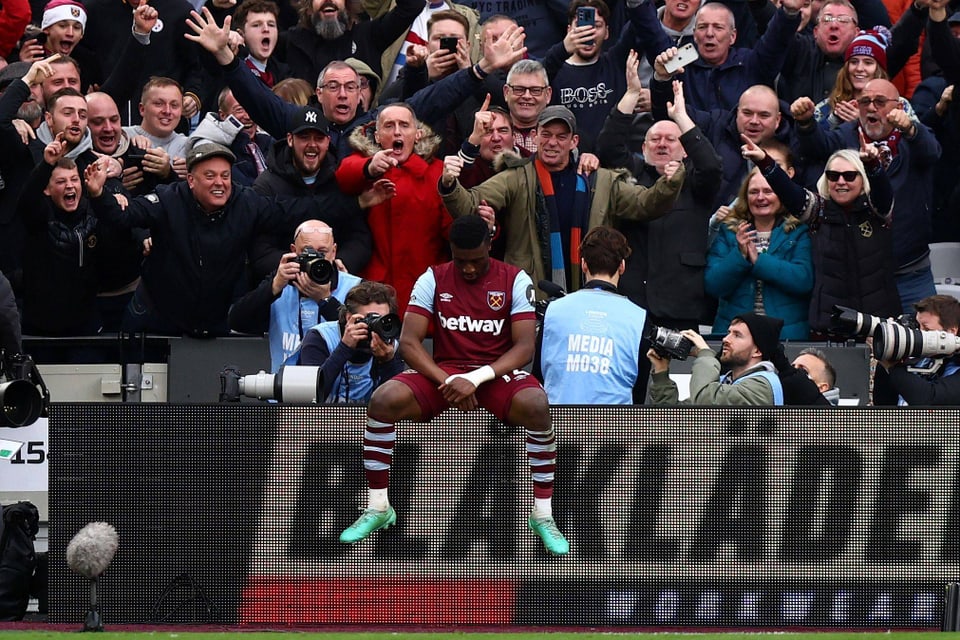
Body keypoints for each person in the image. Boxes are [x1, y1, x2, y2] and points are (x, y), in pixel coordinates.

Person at [339, 215, 569, 556]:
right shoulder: (432, 278)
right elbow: (410, 343)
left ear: (490, 245)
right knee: (383, 399)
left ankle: (543, 514)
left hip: (493, 374)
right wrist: (449, 381)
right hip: (446, 373)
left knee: (537, 405)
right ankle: (378, 506)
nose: (470, 269)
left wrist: (474, 379)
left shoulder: (515, 279)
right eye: (461, 261)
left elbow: (523, 348)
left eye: (476, 261)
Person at [82, 141, 385, 337]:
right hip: (157, 313)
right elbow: (124, 218)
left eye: (225, 175)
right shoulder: (168, 199)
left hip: (216, 318)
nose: (220, 183)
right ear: (190, 180)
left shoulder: (247, 202)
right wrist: (97, 194)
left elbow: (299, 210)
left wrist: (357, 203)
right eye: (210, 175)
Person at [440, 104, 685, 297]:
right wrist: (450, 183)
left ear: (574, 141)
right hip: (532, 296)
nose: (552, 143)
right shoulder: (515, 177)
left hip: (590, 294)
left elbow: (646, 203)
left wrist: (670, 182)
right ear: (535, 136)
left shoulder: (600, 180)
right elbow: (470, 206)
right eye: (546, 134)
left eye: (561, 136)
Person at [752, 119, 904, 334]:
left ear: (862, 179)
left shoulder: (876, 209)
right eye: (833, 176)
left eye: (849, 176)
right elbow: (790, 192)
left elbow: (883, 192)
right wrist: (766, 163)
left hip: (878, 325)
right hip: (830, 325)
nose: (840, 181)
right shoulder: (818, 211)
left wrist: (873, 166)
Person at [335, 102, 449, 315]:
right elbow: (344, 175)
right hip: (376, 291)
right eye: (389, 126)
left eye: (404, 125)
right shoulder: (365, 164)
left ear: (418, 134)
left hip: (424, 290)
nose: (397, 131)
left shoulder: (437, 172)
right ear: (377, 136)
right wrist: (369, 167)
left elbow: (451, 229)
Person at [251, 104, 374, 279]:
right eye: (304, 137)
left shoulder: (341, 179)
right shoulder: (266, 185)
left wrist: (338, 264)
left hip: (335, 283)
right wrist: (299, 269)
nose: (312, 145)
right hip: (284, 287)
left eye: (319, 138)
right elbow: (260, 250)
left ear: (328, 141)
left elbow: (359, 238)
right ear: (290, 139)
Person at [228, 220, 363, 372]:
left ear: (334, 252)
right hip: (285, 389)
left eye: (322, 252)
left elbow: (364, 342)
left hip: (334, 390)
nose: (316, 259)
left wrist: (326, 300)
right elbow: (237, 321)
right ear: (294, 250)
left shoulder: (354, 287)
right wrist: (274, 287)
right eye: (308, 251)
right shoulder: (281, 283)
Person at [704, 161, 814, 340]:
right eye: (753, 192)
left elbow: (804, 280)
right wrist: (740, 256)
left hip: (784, 335)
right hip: (734, 335)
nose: (760, 197)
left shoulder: (799, 230)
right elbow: (713, 285)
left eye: (768, 191)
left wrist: (759, 261)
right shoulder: (730, 230)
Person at [538, 226, 646, 404]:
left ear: (583, 264)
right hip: (615, 427)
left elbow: (538, 377)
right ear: (622, 266)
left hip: (558, 424)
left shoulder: (553, 310)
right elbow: (640, 390)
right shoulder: (639, 317)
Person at [17, 135, 101, 336]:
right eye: (61, 181)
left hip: (85, 326)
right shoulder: (39, 218)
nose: (70, 186)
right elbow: (26, 198)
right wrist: (46, 165)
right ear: (47, 189)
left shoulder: (94, 210)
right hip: (42, 328)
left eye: (74, 180)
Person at [298, 280, 405, 403]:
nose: (377, 326)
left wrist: (388, 362)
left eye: (383, 320)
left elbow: (396, 404)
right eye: (371, 319)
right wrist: (344, 347)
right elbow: (310, 396)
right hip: (320, 418)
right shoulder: (321, 337)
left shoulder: (390, 346)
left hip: (368, 419)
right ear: (349, 317)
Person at [648, 312, 785, 405]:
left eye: (737, 335)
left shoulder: (761, 387)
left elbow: (705, 401)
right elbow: (672, 418)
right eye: (728, 333)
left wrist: (706, 353)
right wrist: (661, 372)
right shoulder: (726, 383)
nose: (726, 339)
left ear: (757, 350)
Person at [874, 294, 960, 405]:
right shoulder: (917, 356)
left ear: (951, 332)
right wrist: (888, 350)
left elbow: (930, 400)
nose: (918, 333)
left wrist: (892, 366)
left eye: (927, 329)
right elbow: (883, 404)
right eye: (917, 326)